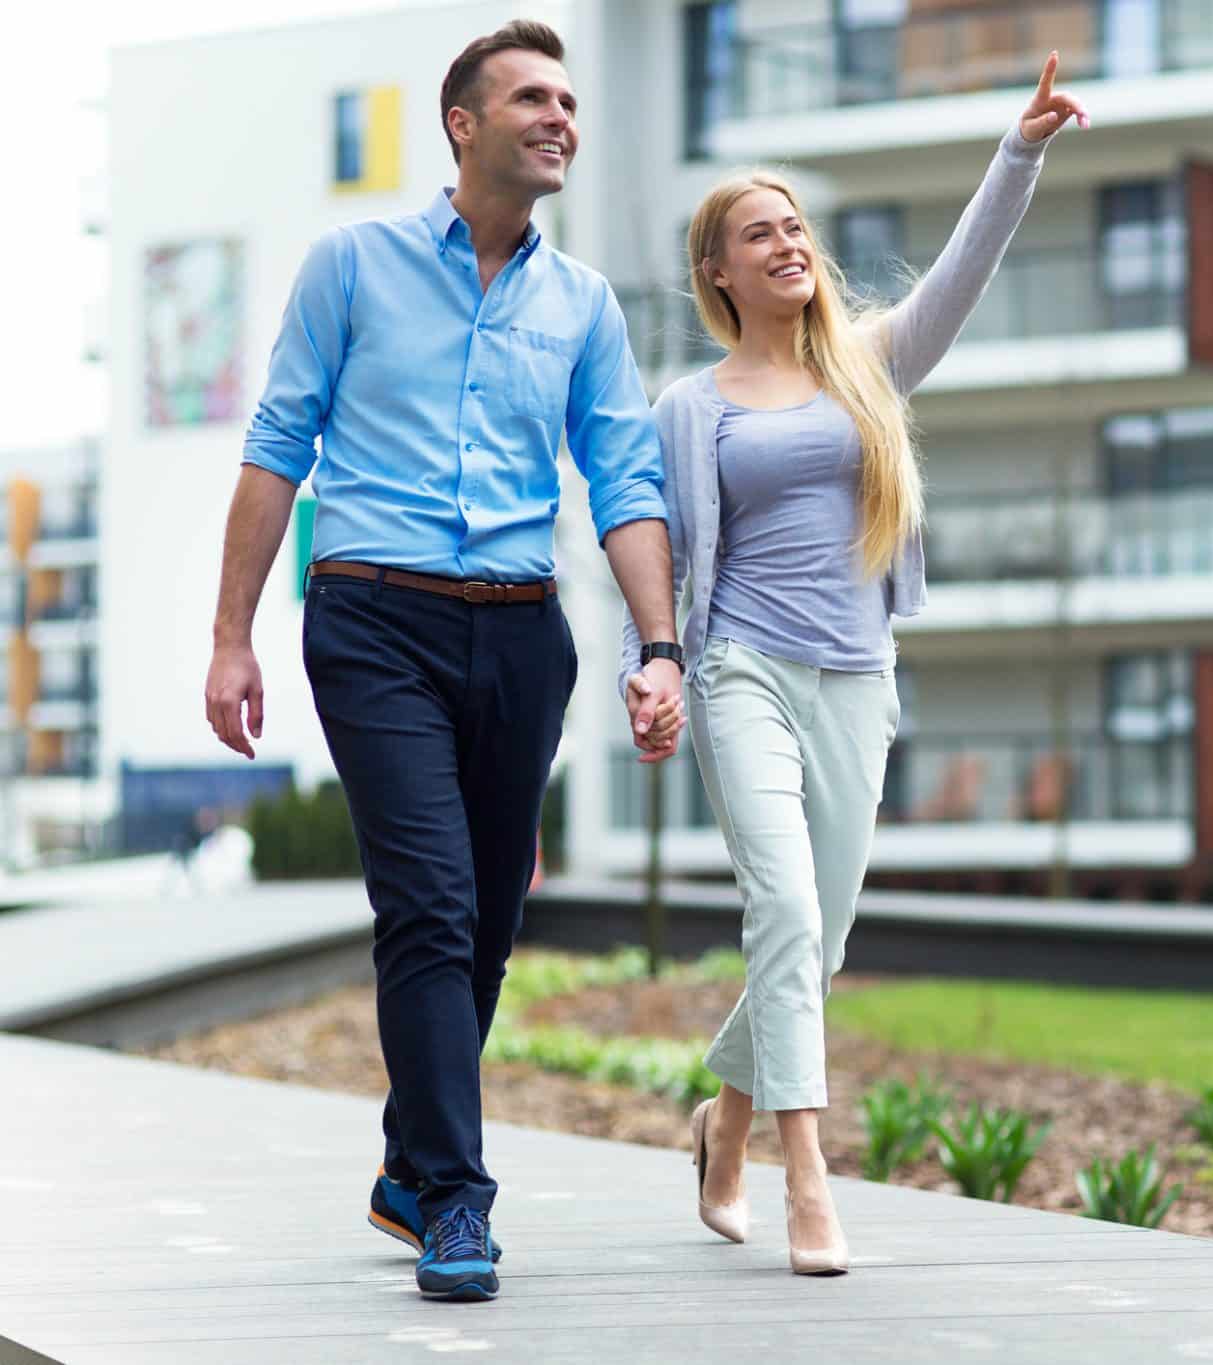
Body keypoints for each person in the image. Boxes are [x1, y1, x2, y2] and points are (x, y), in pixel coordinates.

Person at [203, 20, 684, 1303]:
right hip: (372, 620)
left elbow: (624, 478)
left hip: (524, 633)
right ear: (462, 125)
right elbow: (277, 443)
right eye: (531, 96)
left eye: (570, 100)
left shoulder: (580, 305)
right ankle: (457, 1203)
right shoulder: (350, 265)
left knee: (487, 924)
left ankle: (411, 1158)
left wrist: (659, 644)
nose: (560, 117)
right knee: (426, 902)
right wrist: (230, 634)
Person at [616, 52, 1088, 1277]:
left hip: (856, 676)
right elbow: (653, 547)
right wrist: (654, 663)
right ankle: (805, 1182)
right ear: (716, 270)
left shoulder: (864, 366)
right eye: (757, 233)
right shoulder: (693, 404)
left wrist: (1018, 150)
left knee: (815, 944)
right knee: (780, 907)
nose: (786, 244)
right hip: (743, 674)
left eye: (794, 227)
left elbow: (960, 279)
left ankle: (721, 1123)